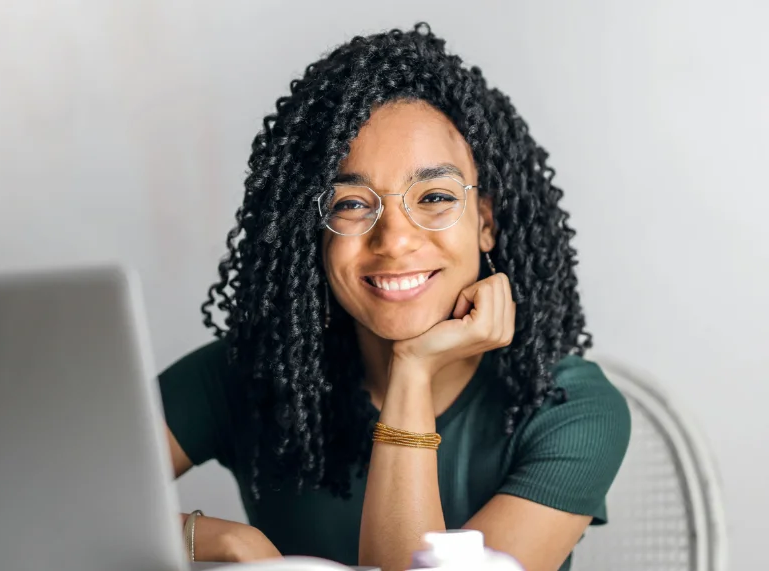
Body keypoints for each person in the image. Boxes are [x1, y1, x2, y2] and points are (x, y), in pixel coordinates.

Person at [159, 23, 631, 571]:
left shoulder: (569, 409)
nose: (396, 239)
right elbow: (50, 498)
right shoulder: (249, 373)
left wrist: (412, 369)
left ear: (486, 222)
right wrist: (222, 542)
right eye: (352, 204)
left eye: (433, 196)